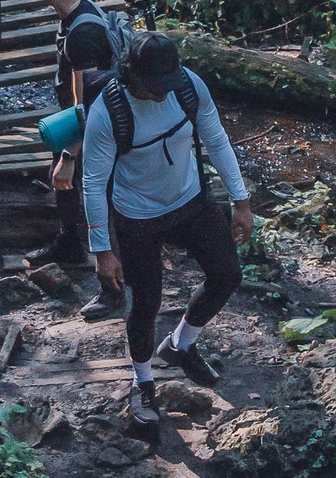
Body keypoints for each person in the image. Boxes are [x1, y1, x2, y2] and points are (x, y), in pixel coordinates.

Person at [81, 33, 253, 439]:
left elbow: (217, 139)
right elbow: (93, 182)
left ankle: (180, 345)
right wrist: (102, 251)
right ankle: (142, 384)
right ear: (132, 75)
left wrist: (241, 201)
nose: (163, 95)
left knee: (227, 274)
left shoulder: (188, 87)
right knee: (145, 302)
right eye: (156, 86)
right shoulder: (110, 111)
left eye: (169, 84)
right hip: (137, 214)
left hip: (191, 199)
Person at [33, 0, 121, 316]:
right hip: (89, 114)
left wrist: (70, 155)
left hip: (99, 124)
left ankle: (113, 291)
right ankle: (70, 243)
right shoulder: (81, 10)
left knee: (97, 199)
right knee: (64, 186)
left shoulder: (82, 36)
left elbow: (87, 108)